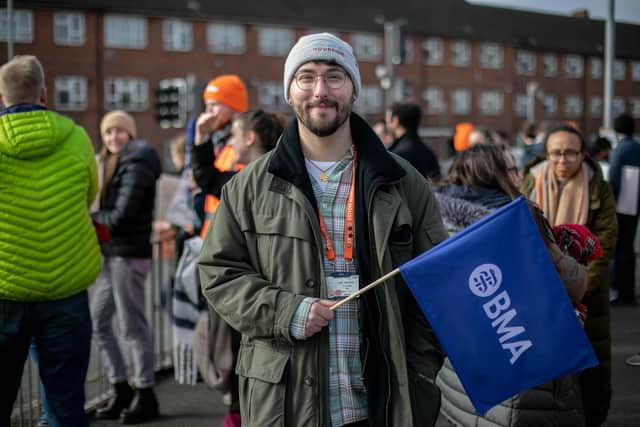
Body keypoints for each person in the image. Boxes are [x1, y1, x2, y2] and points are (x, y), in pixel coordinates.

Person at [198, 32, 449, 427]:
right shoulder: (249, 187)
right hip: (286, 403)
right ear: (290, 91)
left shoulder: (403, 182)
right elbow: (218, 273)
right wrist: (286, 311)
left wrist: (419, 367)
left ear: (353, 89)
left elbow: (437, 280)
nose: (321, 90)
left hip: (384, 402)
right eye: (307, 77)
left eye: (335, 76)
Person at [434, 143, 588, 426]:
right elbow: (572, 283)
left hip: (462, 366)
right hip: (524, 367)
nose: (518, 177)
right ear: (498, 176)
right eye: (513, 170)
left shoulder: (436, 219)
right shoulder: (517, 217)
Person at [0, 55, 101, 427]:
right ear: (44, 93)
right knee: (65, 405)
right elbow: (91, 194)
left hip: (4, 290)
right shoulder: (75, 136)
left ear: (2, 96)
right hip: (66, 290)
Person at [175, 109, 284, 425]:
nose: (231, 143)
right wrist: (201, 139)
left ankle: (239, 413)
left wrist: (202, 138)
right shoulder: (263, 175)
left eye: (234, 135)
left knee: (241, 351)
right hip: (257, 280)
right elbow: (207, 177)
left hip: (249, 281)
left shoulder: (249, 179)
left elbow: (206, 177)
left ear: (250, 139)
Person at [520, 124, 618, 427]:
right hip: (541, 295)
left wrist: (580, 286)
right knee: (548, 377)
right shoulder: (530, 183)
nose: (562, 161)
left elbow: (605, 242)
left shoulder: (599, 187)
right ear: (546, 155)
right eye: (556, 153)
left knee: (591, 370)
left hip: (587, 294)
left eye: (570, 153)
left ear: (583, 154)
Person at [90, 110, 162, 424]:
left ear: (130, 133)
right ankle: (120, 387)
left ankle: (145, 394)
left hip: (128, 254)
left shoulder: (138, 162)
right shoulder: (108, 163)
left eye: (119, 131)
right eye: (108, 133)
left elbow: (121, 215)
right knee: (99, 321)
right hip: (111, 253)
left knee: (133, 326)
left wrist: (88, 221)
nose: (113, 137)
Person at [191, 74, 248, 239]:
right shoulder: (221, 141)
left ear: (233, 106)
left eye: (214, 105)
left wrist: (201, 137)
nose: (208, 111)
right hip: (215, 238)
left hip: (229, 241)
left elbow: (211, 181)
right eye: (206, 105)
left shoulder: (242, 145)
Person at [609, 113, 640, 307]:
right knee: (629, 248)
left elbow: (614, 180)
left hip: (621, 205)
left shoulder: (619, 150)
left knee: (619, 248)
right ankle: (629, 291)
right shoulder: (637, 147)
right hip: (635, 204)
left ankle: (619, 291)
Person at [386, 102, 441, 181]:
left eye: (387, 121)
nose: (387, 126)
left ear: (395, 121)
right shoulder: (428, 152)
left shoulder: (397, 155)